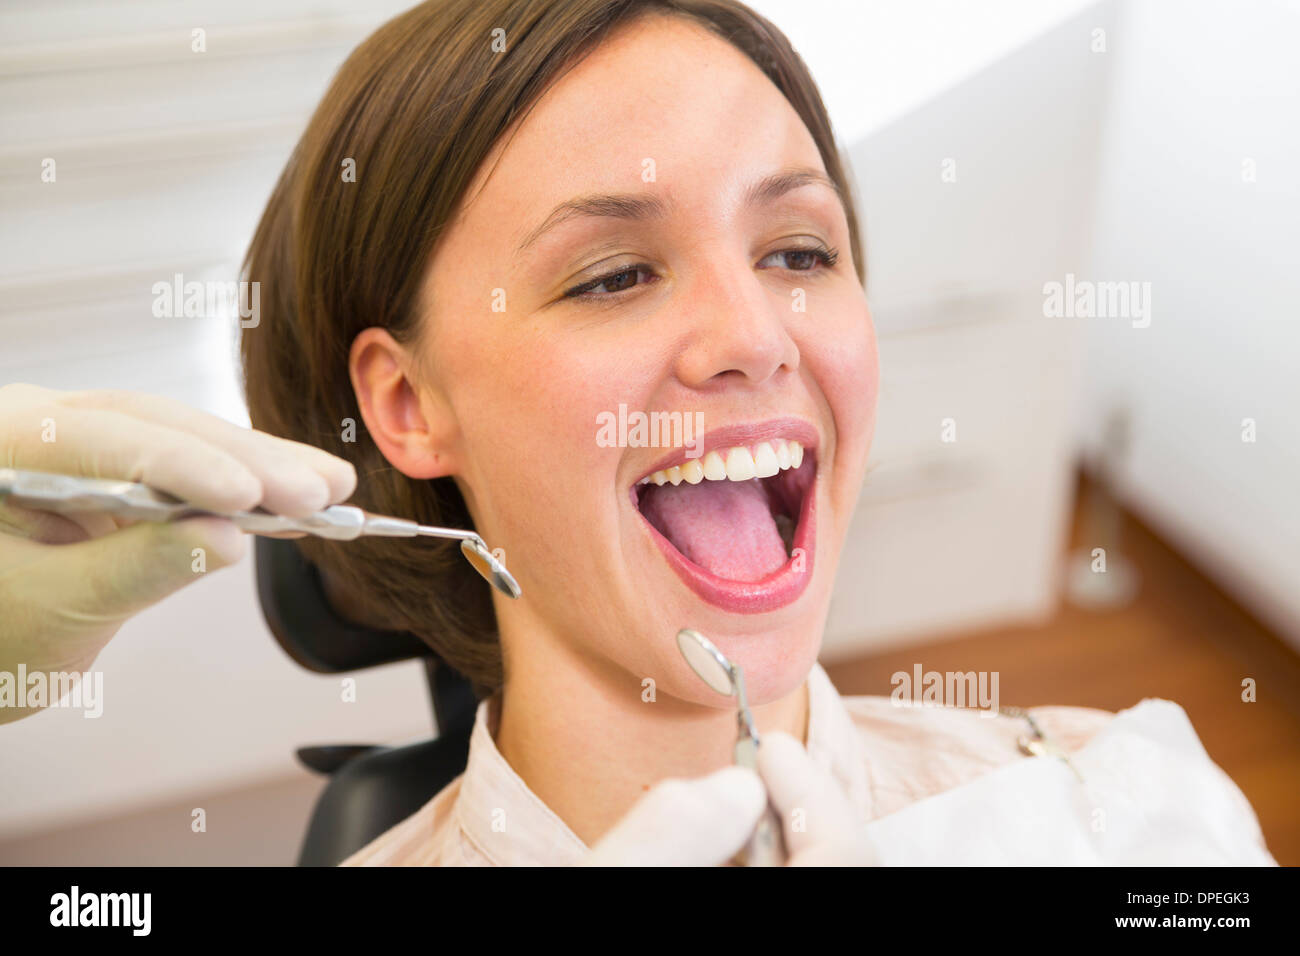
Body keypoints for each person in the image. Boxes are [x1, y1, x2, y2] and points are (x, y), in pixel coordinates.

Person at [0, 0, 1276, 866]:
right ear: (404, 404)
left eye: (798, 249)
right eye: (612, 274)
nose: (755, 335)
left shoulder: (1122, 806)